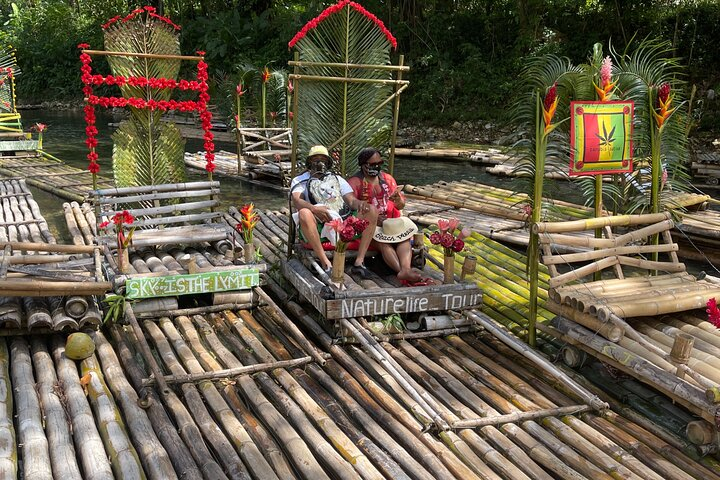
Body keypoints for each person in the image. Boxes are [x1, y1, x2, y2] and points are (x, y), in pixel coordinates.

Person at [290, 145, 377, 278]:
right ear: (309, 162)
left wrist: (361, 204)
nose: (319, 163)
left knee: (371, 210)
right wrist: (314, 209)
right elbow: (297, 201)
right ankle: (326, 264)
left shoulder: (337, 179)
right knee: (304, 212)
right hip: (315, 222)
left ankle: (359, 262)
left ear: (328, 163)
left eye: (323, 159)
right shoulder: (299, 180)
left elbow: (351, 201)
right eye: (316, 159)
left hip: (339, 219)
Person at [348, 147, 423, 283]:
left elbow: (400, 206)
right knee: (383, 243)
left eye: (379, 163)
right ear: (363, 165)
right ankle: (400, 271)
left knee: (404, 238)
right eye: (372, 164)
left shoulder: (387, 179)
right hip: (369, 226)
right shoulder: (355, 182)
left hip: (389, 223)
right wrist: (368, 212)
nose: (376, 167)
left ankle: (406, 269)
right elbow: (351, 204)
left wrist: (399, 201)